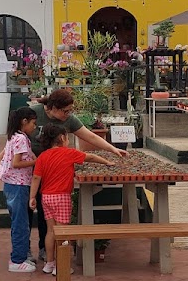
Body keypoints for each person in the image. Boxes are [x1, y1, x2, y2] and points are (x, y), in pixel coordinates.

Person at [26, 88, 127, 261]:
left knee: (46, 217)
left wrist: (112, 149)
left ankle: (46, 252)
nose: (68, 114)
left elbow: (90, 137)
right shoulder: (33, 113)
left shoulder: (69, 121)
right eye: (65, 111)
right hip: (29, 169)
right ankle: (26, 250)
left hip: (50, 175)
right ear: (53, 108)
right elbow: (16, 134)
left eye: (70, 111)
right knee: (28, 213)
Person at [29, 125, 113, 275]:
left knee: (50, 231)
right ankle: (61, 267)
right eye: (68, 137)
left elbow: (36, 178)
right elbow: (90, 157)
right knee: (63, 232)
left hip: (46, 197)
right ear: (62, 138)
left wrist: (32, 197)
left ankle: (49, 263)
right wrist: (107, 162)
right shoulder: (69, 153)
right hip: (62, 196)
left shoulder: (42, 156)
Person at [0, 107, 38, 272]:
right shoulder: (21, 139)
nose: (34, 127)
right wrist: (37, 162)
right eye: (33, 123)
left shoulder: (13, 136)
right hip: (19, 185)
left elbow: (0, 158)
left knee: (19, 222)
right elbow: (16, 163)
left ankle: (22, 255)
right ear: (24, 121)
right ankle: (17, 260)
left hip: (11, 184)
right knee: (20, 223)